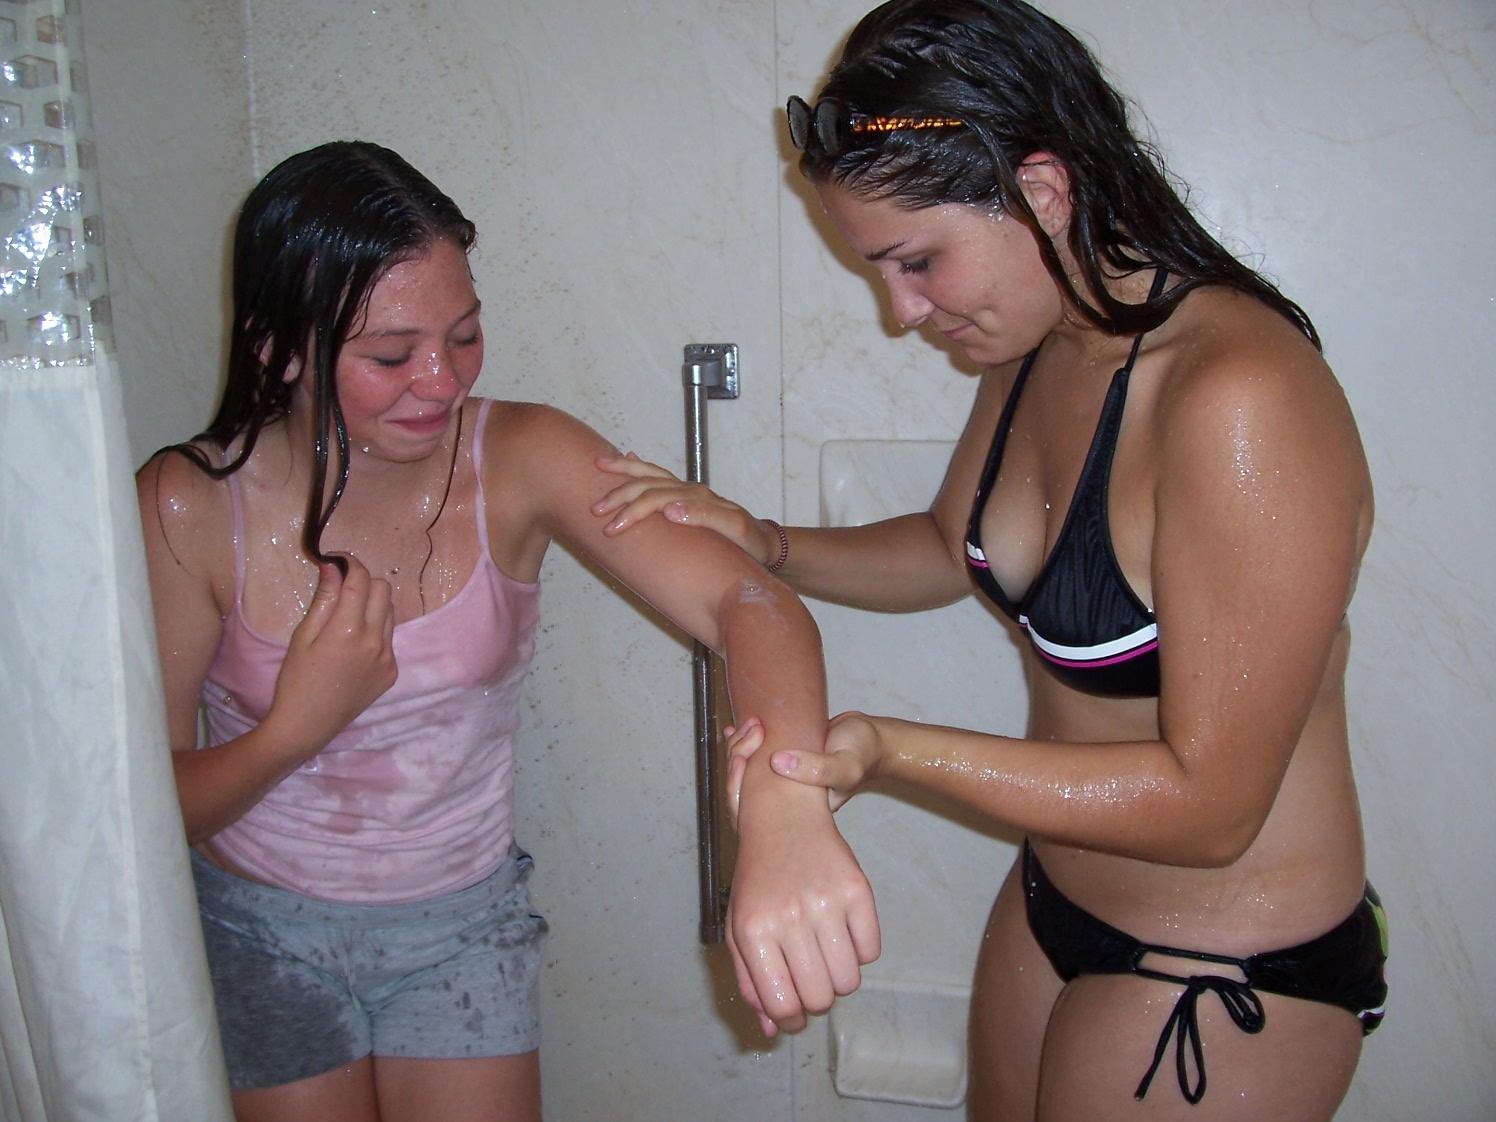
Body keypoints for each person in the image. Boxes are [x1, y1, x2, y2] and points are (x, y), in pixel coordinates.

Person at [591, 2, 1387, 1117]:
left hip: (1226, 961)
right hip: (1053, 902)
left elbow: (1213, 808)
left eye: (917, 262)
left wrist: (885, 748)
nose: (900, 312)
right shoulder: (1036, 342)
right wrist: (763, 540)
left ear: (1042, 193)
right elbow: (946, 546)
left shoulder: (1237, 397)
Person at [136, 140, 878, 1122]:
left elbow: (752, 604)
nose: (441, 381)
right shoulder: (187, 505)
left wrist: (784, 809)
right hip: (259, 934)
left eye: (465, 336)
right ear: (277, 348)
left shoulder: (522, 455)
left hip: (463, 930)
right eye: (390, 356)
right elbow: (142, 807)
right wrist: (292, 731)